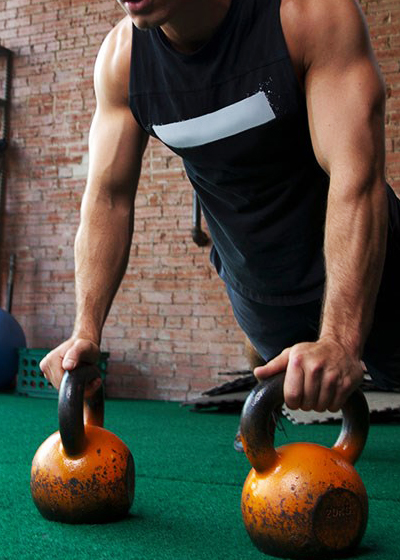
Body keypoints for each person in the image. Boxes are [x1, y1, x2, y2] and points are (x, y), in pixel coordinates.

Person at [40, 0, 400, 414]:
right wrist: (85, 332)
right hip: (256, 287)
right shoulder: (123, 61)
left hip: (375, 271)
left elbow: (356, 180)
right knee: (276, 385)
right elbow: (109, 198)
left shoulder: (306, 16)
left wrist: (339, 339)